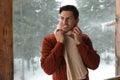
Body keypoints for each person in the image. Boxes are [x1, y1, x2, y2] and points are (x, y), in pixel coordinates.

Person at [40, 5, 100, 80]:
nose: (64, 22)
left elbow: (94, 65)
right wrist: (60, 43)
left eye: (68, 19)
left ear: (76, 21)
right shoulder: (49, 40)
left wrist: (80, 43)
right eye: (62, 18)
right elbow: (48, 69)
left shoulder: (84, 38)